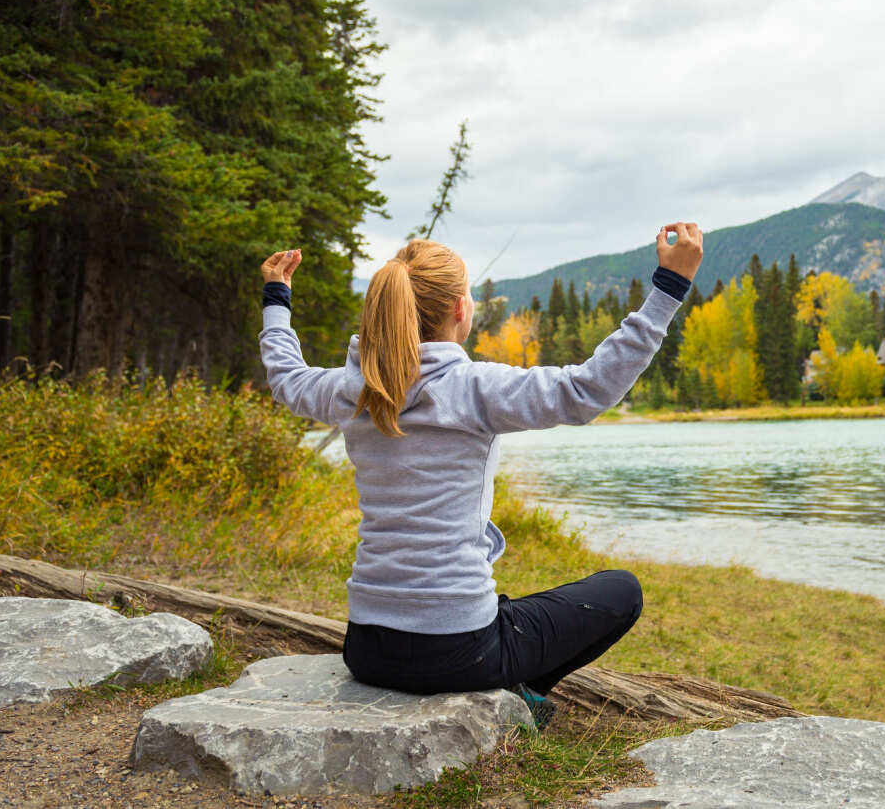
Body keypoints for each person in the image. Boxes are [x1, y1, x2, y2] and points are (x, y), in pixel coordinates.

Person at [256, 222, 703, 725]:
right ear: (458, 310)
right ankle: (514, 694)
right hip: (458, 651)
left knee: (506, 608)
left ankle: (507, 684)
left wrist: (277, 299)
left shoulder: (351, 390)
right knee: (622, 590)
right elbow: (586, 390)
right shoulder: (474, 388)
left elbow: (286, 378)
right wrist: (669, 289)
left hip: (366, 647)